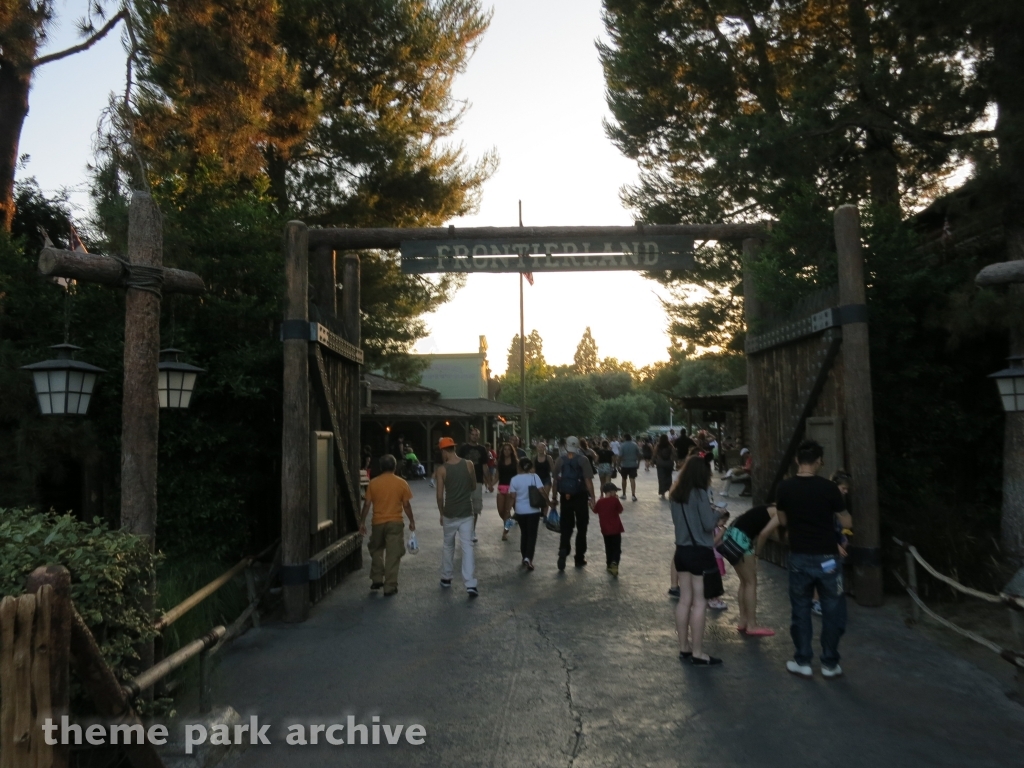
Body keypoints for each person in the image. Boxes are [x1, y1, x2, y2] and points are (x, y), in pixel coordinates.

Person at [775, 439, 851, 678]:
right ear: (819, 461)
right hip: (828, 558)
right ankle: (829, 663)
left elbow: (783, 520)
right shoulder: (829, 488)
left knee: (800, 609)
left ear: (797, 460)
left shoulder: (785, 487)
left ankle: (803, 660)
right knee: (832, 610)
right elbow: (847, 521)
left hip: (799, 556)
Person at [670, 456, 727, 665]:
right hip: (700, 552)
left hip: (681, 550)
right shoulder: (700, 493)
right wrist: (717, 513)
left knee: (684, 600)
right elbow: (707, 524)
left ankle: (684, 647)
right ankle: (698, 652)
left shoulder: (675, 494)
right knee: (700, 602)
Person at [358, 454, 416, 596]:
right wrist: (412, 521)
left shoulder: (373, 483)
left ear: (381, 467)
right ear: (395, 467)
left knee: (376, 549)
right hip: (395, 522)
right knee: (393, 554)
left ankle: (377, 578)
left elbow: (367, 504)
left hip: (378, 522)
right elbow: (406, 505)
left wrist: (362, 522)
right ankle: (390, 586)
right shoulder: (401, 483)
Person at [722, 505, 781, 635]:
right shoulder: (780, 512)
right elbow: (764, 534)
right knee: (751, 582)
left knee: (744, 582)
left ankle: (743, 621)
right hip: (741, 539)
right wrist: (757, 555)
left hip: (730, 535)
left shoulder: (768, 508)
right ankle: (752, 625)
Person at [434, 437, 479, 597]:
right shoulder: (469, 464)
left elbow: (440, 496)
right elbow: (473, 485)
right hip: (466, 511)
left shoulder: (441, 470)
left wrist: (441, 513)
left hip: (450, 512)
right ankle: (470, 583)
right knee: (467, 546)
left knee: (448, 545)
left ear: (444, 451)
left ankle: (446, 577)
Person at [553, 435, 597, 570]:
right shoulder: (583, 460)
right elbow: (588, 480)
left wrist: (554, 497)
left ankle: (563, 549)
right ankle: (579, 557)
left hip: (565, 497)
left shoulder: (560, 460)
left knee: (566, 526)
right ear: (578, 446)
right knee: (582, 527)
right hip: (580, 496)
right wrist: (593, 497)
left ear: (566, 446)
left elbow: (555, 480)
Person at [508, 457, 547, 570]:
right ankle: (528, 558)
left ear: (519, 467)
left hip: (520, 511)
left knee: (524, 533)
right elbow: (541, 491)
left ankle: (524, 556)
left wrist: (508, 510)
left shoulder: (514, 479)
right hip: (533, 511)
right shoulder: (534, 477)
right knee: (532, 535)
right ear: (530, 467)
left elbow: (512, 497)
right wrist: (548, 502)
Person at [457, 427, 491, 544]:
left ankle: (472, 531)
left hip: (477, 481)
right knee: (464, 507)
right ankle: (464, 530)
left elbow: (484, 466)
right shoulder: (463, 448)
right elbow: (458, 464)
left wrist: (489, 482)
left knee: (475, 507)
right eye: (473, 434)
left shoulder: (482, 449)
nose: (475, 436)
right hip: (464, 481)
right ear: (469, 435)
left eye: (477, 435)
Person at [594, 482, 625, 576]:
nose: (616, 493)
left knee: (608, 547)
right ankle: (614, 563)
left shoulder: (600, 501)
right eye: (615, 491)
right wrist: (616, 500)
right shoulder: (615, 500)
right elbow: (620, 510)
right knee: (616, 547)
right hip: (616, 528)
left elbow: (595, 510)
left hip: (605, 529)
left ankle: (608, 564)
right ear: (611, 492)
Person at [495, 442, 519, 541]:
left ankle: (505, 532)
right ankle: (509, 521)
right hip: (501, 487)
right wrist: (490, 484)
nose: (507, 451)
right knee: (501, 510)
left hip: (512, 489)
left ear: (512, 451)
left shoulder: (515, 462)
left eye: (509, 449)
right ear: (502, 451)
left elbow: (519, 476)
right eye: (505, 449)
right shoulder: (500, 462)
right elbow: (497, 476)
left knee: (507, 510)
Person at [533, 442, 555, 522]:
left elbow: (552, 468)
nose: (540, 449)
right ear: (537, 448)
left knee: (545, 496)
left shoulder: (548, 458)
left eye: (542, 447)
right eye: (539, 447)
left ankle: (545, 515)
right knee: (537, 497)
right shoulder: (534, 458)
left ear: (545, 448)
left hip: (546, 479)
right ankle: (537, 513)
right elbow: (532, 469)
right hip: (537, 480)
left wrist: (555, 478)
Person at [617, 433, 641, 501]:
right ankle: (633, 495)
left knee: (624, 479)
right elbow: (639, 455)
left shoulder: (622, 445)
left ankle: (624, 494)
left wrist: (618, 465)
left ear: (625, 438)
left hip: (624, 465)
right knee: (632, 479)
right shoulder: (635, 445)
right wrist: (638, 463)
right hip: (633, 464)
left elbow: (620, 456)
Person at [654, 434, 674, 499]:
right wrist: (675, 461)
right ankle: (670, 490)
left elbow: (654, 453)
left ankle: (662, 492)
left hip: (660, 463)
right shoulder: (670, 445)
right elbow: (674, 453)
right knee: (669, 477)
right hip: (669, 463)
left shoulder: (658, 445)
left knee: (661, 478)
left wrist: (653, 460)